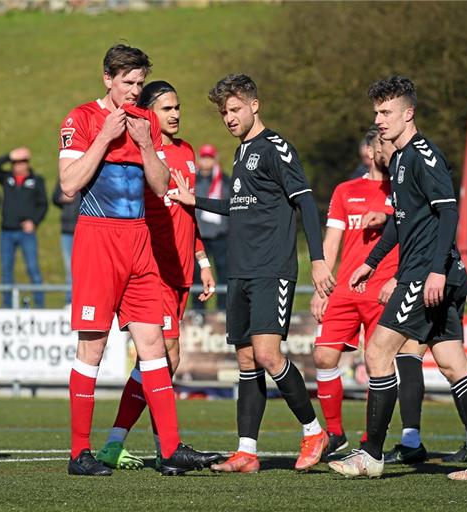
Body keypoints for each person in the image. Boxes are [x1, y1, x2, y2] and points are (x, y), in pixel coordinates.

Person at [329, 76, 467, 481]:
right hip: (429, 272)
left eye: (386, 112)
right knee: (451, 362)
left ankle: (370, 454)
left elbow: (449, 212)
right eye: (376, 112)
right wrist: (372, 262)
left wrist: (436, 270)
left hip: (427, 274)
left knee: (376, 353)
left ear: (408, 114)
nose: (379, 120)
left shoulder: (423, 157)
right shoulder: (401, 160)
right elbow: (399, 223)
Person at [58, 44, 219, 476]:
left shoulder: (147, 122)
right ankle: (80, 453)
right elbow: (69, 184)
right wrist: (106, 138)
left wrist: (147, 146)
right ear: (107, 79)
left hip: (140, 241)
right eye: (127, 82)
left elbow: (163, 183)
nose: (133, 90)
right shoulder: (81, 118)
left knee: (154, 347)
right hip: (98, 238)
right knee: (91, 348)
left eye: (139, 83)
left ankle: (170, 448)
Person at [169, 73, 335, 473]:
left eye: (235, 109)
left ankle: (314, 431)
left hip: (271, 268)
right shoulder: (241, 153)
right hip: (241, 271)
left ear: (254, 105)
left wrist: (317, 259)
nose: (229, 118)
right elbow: (239, 206)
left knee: (266, 353)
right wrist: (197, 200)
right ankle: (246, 451)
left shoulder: (276, 148)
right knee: (246, 360)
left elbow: (306, 203)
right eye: (224, 112)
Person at [95, 81, 217, 470]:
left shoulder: (187, 152)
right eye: (166, 109)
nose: (176, 114)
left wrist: (202, 261)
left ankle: (121, 442)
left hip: (181, 270)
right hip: (153, 269)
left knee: (161, 362)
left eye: (177, 107)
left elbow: (188, 212)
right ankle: (165, 448)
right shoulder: (140, 154)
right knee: (164, 356)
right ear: (149, 113)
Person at [312, 126, 399, 458]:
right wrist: (323, 286)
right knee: (323, 355)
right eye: (382, 144)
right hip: (346, 289)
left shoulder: (403, 189)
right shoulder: (346, 190)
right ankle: (335, 433)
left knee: (377, 362)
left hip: (383, 290)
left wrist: (388, 214)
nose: (386, 149)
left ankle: (371, 439)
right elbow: (332, 240)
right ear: (372, 149)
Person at [0, 147, 48, 308]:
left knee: (33, 268)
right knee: (6, 270)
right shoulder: (7, 178)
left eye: (21, 162)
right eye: (14, 163)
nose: (17, 166)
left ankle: (40, 305)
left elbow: (43, 205)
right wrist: (9, 155)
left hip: (26, 233)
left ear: (27, 164)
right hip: (6, 232)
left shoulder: (37, 180)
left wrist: (34, 222)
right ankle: (7, 306)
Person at [192, 143, 230, 311]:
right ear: (199, 159)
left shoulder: (226, 181)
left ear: (215, 159)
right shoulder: (192, 179)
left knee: (224, 275)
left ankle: (222, 311)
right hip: (199, 237)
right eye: (204, 157)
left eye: (210, 157)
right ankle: (198, 312)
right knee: (197, 276)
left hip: (221, 237)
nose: (207, 161)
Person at [51, 182, 79, 306]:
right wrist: (62, 197)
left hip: (84, 229)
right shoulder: (66, 171)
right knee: (69, 269)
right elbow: (55, 197)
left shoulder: (91, 171)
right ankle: (70, 301)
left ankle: (81, 301)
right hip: (67, 230)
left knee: (85, 268)